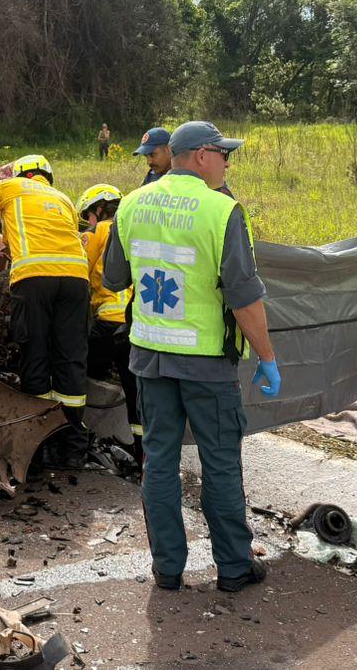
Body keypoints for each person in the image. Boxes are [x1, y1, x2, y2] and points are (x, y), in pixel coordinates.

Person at [102, 121, 280, 594]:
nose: (227, 162)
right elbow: (244, 298)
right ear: (201, 155)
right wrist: (266, 355)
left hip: (150, 358)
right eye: (224, 153)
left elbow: (115, 278)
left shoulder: (131, 204)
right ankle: (234, 568)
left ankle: (167, 570)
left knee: (158, 460)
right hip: (205, 361)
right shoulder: (222, 210)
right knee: (220, 461)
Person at [0, 155, 91, 468]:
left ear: (22, 173)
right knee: (70, 359)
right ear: (46, 177)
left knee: (36, 357)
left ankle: (38, 446)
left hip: (34, 281)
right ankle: (72, 449)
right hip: (76, 282)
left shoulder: (10, 187)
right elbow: (46, 239)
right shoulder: (63, 200)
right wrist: (7, 240)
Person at [77, 183, 141, 465]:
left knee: (73, 372)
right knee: (135, 393)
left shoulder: (97, 231)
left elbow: (79, 273)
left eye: (88, 215)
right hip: (134, 327)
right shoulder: (136, 229)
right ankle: (143, 456)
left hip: (106, 323)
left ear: (98, 210)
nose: (88, 222)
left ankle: (72, 438)